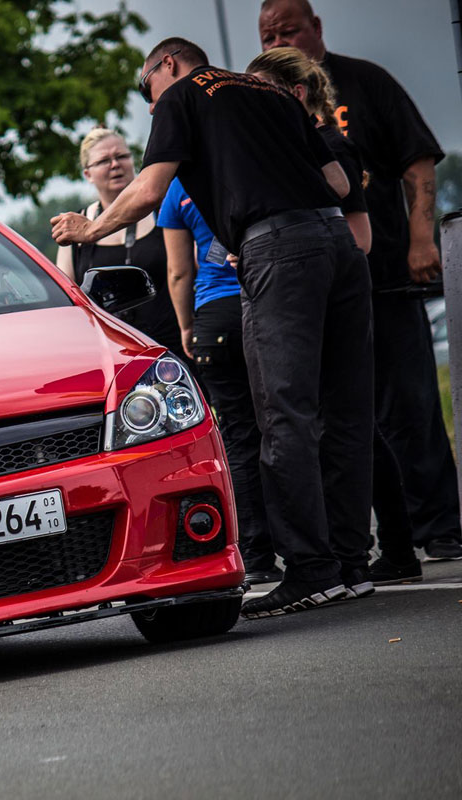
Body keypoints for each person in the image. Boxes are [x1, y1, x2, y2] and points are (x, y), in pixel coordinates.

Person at [52, 37, 373, 619]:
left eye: (146, 86)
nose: (150, 106)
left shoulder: (182, 96)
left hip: (279, 251)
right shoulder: (268, 92)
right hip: (338, 245)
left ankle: (311, 570)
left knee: (283, 414)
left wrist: (89, 231)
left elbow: (149, 189)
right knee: (345, 411)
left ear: (168, 65)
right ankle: (352, 564)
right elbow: (339, 184)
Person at [259, 0, 462, 565]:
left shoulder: (365, 82)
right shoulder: (266, 108)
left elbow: (419, 163)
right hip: (324, 286)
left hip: (387, 270)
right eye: (269, 34)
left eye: (289, 29)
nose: (280, 40)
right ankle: (383, 538)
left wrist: (423, 241)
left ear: (317, 28)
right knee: (353, 417)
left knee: (412, 401)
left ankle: (440, 524)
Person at [247, 46, 422, 587]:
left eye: (261, 94)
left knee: (340, 427)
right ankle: (362, 554)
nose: (253, 107)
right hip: (328, 291)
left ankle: (362, 552)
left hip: (330, 295)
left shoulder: (327, 144)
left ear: (295, 94)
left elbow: (360, 237)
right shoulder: (301, 146)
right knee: (344, 426)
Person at [159, 178, 279, 586]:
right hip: (264, 297)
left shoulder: (177, 187)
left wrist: (186, 327)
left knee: (240, 438)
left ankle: (259, 554)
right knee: (284, 424)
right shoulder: (241, 162)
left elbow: (179, 272)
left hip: (215, 314)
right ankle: (312, 544)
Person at [57, 129, 187, 365]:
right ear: (87, 173)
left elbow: (187, 270)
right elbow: (67, 297)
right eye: (104, 161)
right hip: (109, 353)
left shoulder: (164, 211)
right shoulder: (75, 227)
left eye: (122, 157)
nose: (115, 165)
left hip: (171, 344)